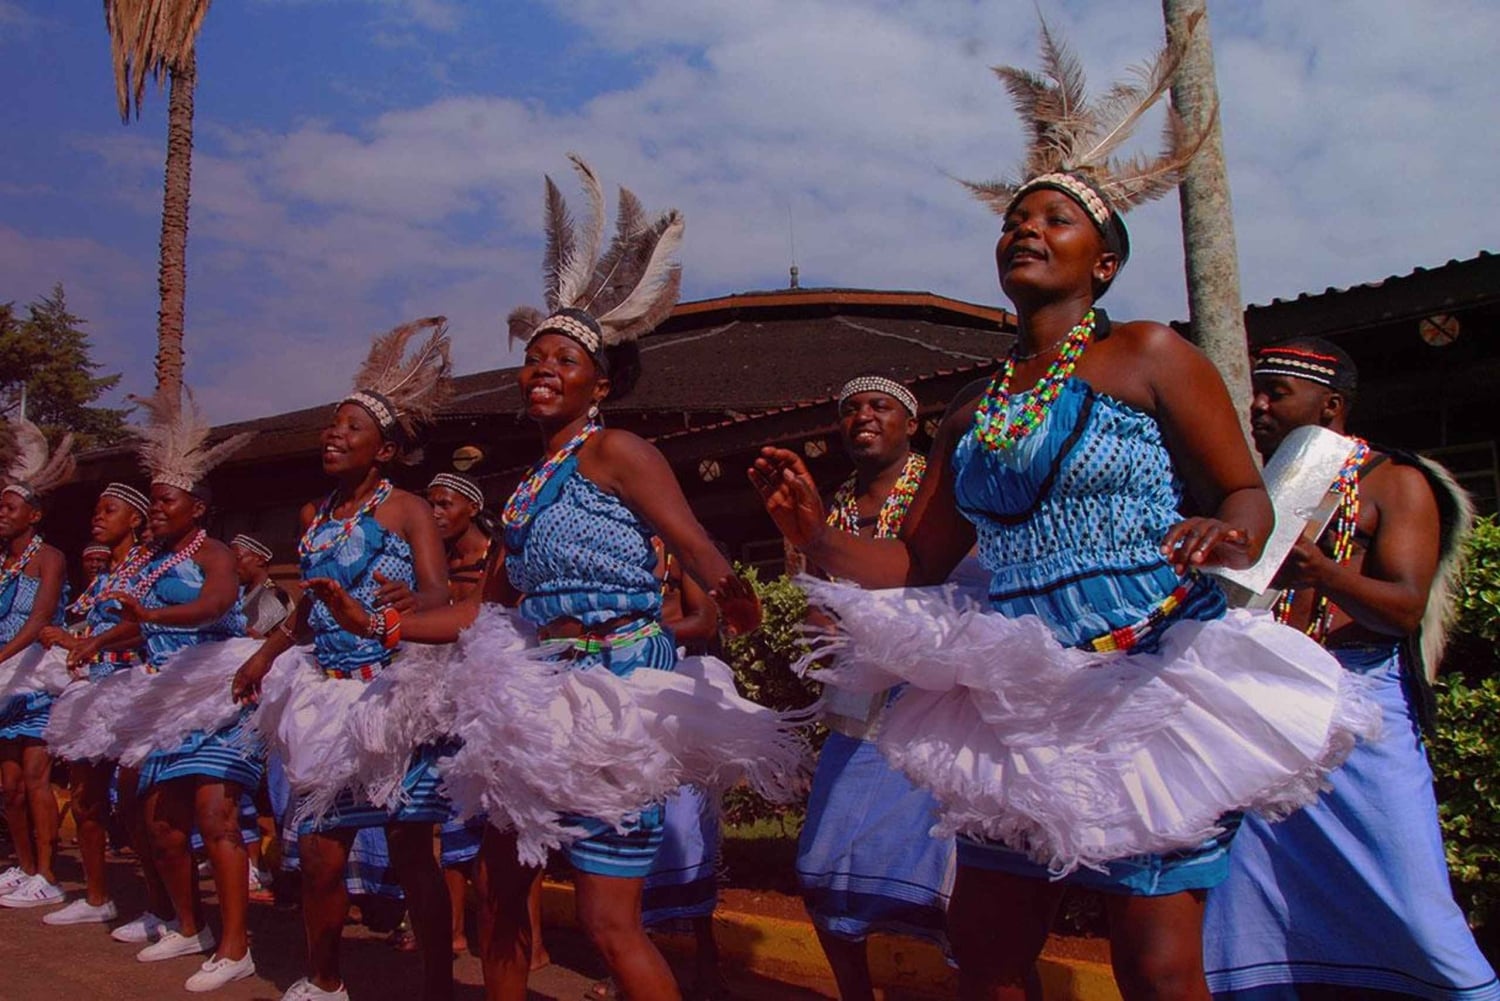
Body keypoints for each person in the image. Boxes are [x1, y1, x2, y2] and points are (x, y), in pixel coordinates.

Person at [749, 25, 1377, 1001]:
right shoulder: (971, 410)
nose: (1026, 230)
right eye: (1013, 221)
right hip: (1015, 694)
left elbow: (1244, 489)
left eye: (1054, 219)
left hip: (1142, 675)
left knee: (1158, 963)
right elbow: (913, 564)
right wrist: (807, 530)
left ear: (1106, 262)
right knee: (987, 949)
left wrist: (1231, 531)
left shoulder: (1150, 353)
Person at [355, 159, 790, 1001]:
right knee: (501, 891)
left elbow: (691, 539)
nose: (541, 368)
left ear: (599, 380)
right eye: (532, 358)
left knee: (606, 921)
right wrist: (393, 626)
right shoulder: (526, 486)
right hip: (537, 695)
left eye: (562, 358)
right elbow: (489, 610)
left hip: (619, 689)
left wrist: (734, 593)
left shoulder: (614, 451)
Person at [1201, 340, 1500, 1001]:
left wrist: (1325, 572)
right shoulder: (1264, 490)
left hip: (1365, 706)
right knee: (1255, 891)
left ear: (1330, 405)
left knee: (1412, 891)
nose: (1258, 405)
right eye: (1258, 391)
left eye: (1277, 392)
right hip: (1270, 707)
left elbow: (1402, 608)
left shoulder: (1396, 482)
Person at [231, 317, 456, 1001]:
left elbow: (441, 595)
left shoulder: (408, 509)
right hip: (327, 695)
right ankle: (325, 979)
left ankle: (438, 985)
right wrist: (266, 655)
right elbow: (308, 609)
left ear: (382, 448)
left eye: (350, 427)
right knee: (321, 853)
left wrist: (406, 600)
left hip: (394, 692)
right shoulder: (318, 519)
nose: (333, 435)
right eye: (332, 425)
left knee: (416, 854)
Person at [77, 388, 263, 992]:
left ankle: (238, 948)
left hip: (219, 689)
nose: (156, 509)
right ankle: (191, 926)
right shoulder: (149, 562)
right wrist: (95, 644)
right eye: (153, 500)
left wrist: (151, 619)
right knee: (157, 823)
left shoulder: (215, 555)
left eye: (166, 500)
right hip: (163, 698)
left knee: (216, 816)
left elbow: (215, 605)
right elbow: (132, 617)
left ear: (197, 507)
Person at [794, 376, 955, 1001]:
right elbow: (816, 588)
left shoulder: (941, 492)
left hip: (937, 697)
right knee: (822, 861)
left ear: (910, 424)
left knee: (954, 869)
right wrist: (825, 624)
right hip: (858, 702)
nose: (863, 416)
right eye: (851, 408)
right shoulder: (833, 504)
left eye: (879, 406)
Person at [37, 481, 149, 927]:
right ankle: (98, 897)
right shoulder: (101, 581)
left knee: (136, 806)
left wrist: (78, 640)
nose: (97, 518)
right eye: (96, 511)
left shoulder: (150, 570)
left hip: (134, 688)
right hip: (92, 691)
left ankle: (164, 909)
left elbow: (144, 627)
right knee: (86, 801)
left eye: (109, 511)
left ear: (135, 520)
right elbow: (79, 627)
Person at [0, 416, 73, 909]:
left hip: (37, 676)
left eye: (9, 506)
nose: (0, 513)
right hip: (3, 680)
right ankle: (23, 866)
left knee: (35, 776)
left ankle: (47, 872)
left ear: (34, 514)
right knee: (7, 786)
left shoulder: (51, 558)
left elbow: (40, 617)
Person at [231, 534, 292, 639]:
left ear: (260, 560)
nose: (232, 565)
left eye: (238, 558)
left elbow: (249, 635)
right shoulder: (242, 594)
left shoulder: (273, 595)